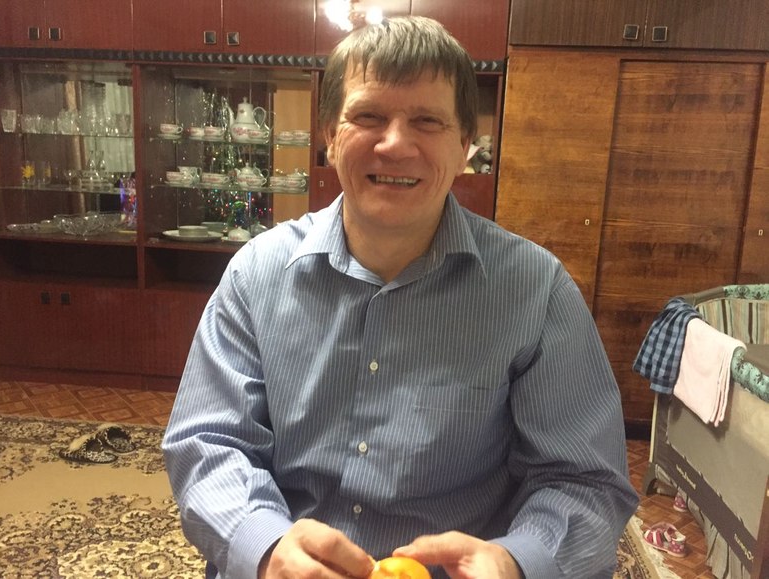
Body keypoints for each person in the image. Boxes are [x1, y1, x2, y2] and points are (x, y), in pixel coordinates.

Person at [162, 16, 638, 579]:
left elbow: (584, 480)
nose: (394, 144)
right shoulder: (256, 275)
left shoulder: (536, 290)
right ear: (330, 134)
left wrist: (515, 562)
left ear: (464, 145)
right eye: (368, 116)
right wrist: (265, 547)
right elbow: (209, 442)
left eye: (427, 121)